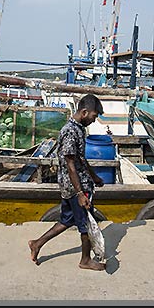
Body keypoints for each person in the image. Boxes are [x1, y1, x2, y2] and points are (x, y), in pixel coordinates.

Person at [28, 94, 106, 271]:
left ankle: (37, 243)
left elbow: (80, 159)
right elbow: (70, 165)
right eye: (94, 116)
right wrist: (80, 194)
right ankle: (85, 260)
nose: (94, 120)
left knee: (66, 220)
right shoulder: (70, 131)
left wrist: (94, 177)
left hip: (75, 184)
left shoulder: (79, 129)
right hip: (74, 187)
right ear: (84, 112)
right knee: (86, 225)